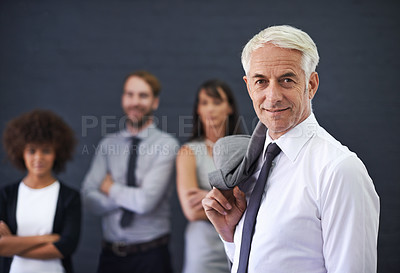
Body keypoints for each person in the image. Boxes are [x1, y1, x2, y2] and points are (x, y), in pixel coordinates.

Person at [202, 25, 380, 273]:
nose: (272, 96)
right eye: (261, 81)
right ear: (248, 87)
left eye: (287, 80)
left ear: (311, 84)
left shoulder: (340, 170)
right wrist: (229, 234)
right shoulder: (253, 163)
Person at [81, 70, 179, 273]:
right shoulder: (107, 144)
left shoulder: (167, 145)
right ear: (123, 98)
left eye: (143, 96)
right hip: (110, 258)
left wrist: (109, 188)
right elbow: (88, 198)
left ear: (155, 102)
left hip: (151, 257)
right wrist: (125, 197)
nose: (135, 102)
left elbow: (144, 203)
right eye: (130, 94)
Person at [0, 109, 81, 273]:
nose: (38, 158)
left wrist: (13, 244)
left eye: (46, 150)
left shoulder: (69, 197)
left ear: (56, 153)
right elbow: (1, 246)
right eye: (31, 150)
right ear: (20, 152)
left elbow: (64, 248)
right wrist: (46, 239)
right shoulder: (6, 195)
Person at [176, 79, 242, 273]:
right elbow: (191, 211)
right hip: (203, 250)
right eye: (204, 103)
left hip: (240, 245)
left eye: (217, 102)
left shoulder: (244, 150)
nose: (210, 109)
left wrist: (205, 197)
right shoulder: (188, 152)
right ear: (198, 109)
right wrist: (236, 204)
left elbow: (255, 204)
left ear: (229, 107)